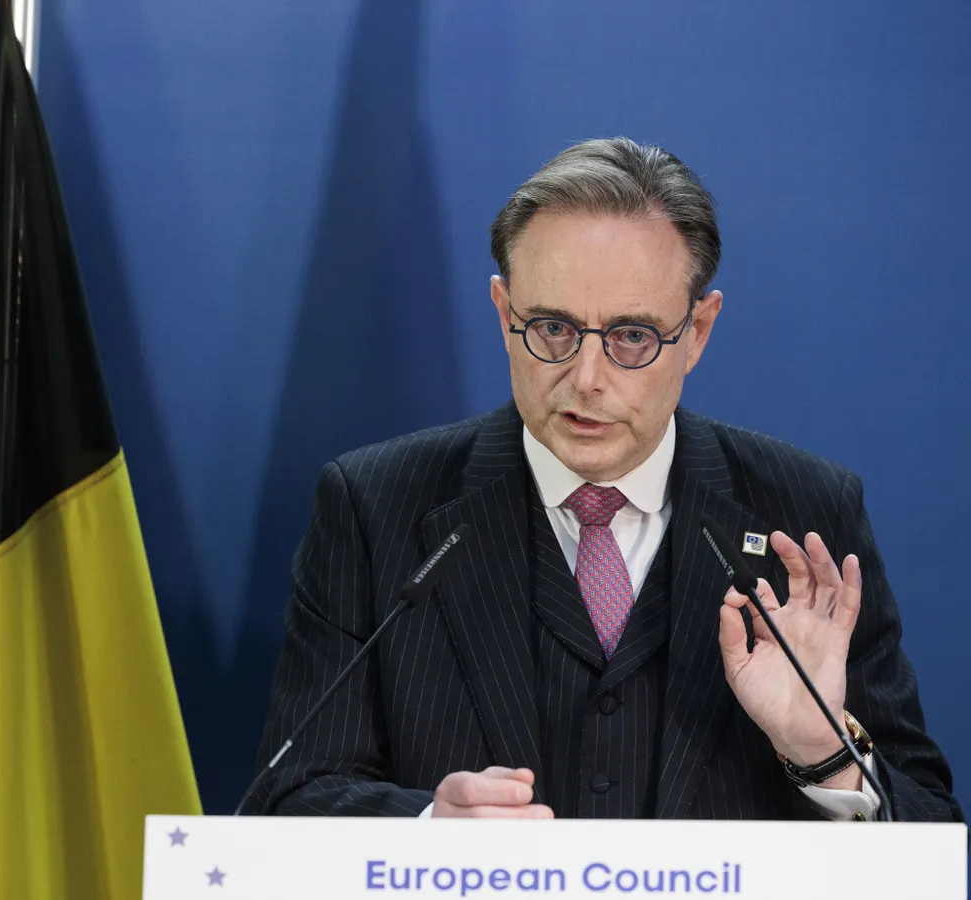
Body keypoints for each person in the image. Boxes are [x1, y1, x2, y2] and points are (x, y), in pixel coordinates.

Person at [248, 137, 961, 822]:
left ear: (699, 331)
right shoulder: (375, 508)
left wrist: (824, 754)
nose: (587, 380)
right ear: (504, 314)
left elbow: (932, 835)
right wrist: (431, 827)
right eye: (553, 328)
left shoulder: (806, 514)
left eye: (631, 336)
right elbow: (287, 799)